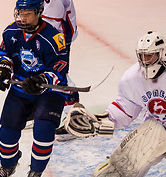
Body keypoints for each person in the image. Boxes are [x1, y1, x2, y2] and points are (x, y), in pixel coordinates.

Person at [0, 0, 71, 177]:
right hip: (21, 88)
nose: (22, 17)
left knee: (44, 130)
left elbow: (60, 68)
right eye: (20, 12)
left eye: (27, 13)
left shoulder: (54, 38)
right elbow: (6, 55)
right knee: (7, 133)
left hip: (50, 92)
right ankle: (8, 165)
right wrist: (2, 68)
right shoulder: (11, 32)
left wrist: (42, 80)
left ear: (39, 12)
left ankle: (35, 172)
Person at [64, 31, 166, 177]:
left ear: (161, 54)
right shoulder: (133, 77)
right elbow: (124, 110)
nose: (145, 60)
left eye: (150, 56)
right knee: (120, 169)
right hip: (157, 128)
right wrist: (98, 121)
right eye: (142, 56)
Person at [14, 0, 79, 139]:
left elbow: (55, 9)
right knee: (42, 68)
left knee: (57, 69)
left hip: (58, 29)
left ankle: (74, 117)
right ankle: (40, 107)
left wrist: (45, 35)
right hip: (52, 25)